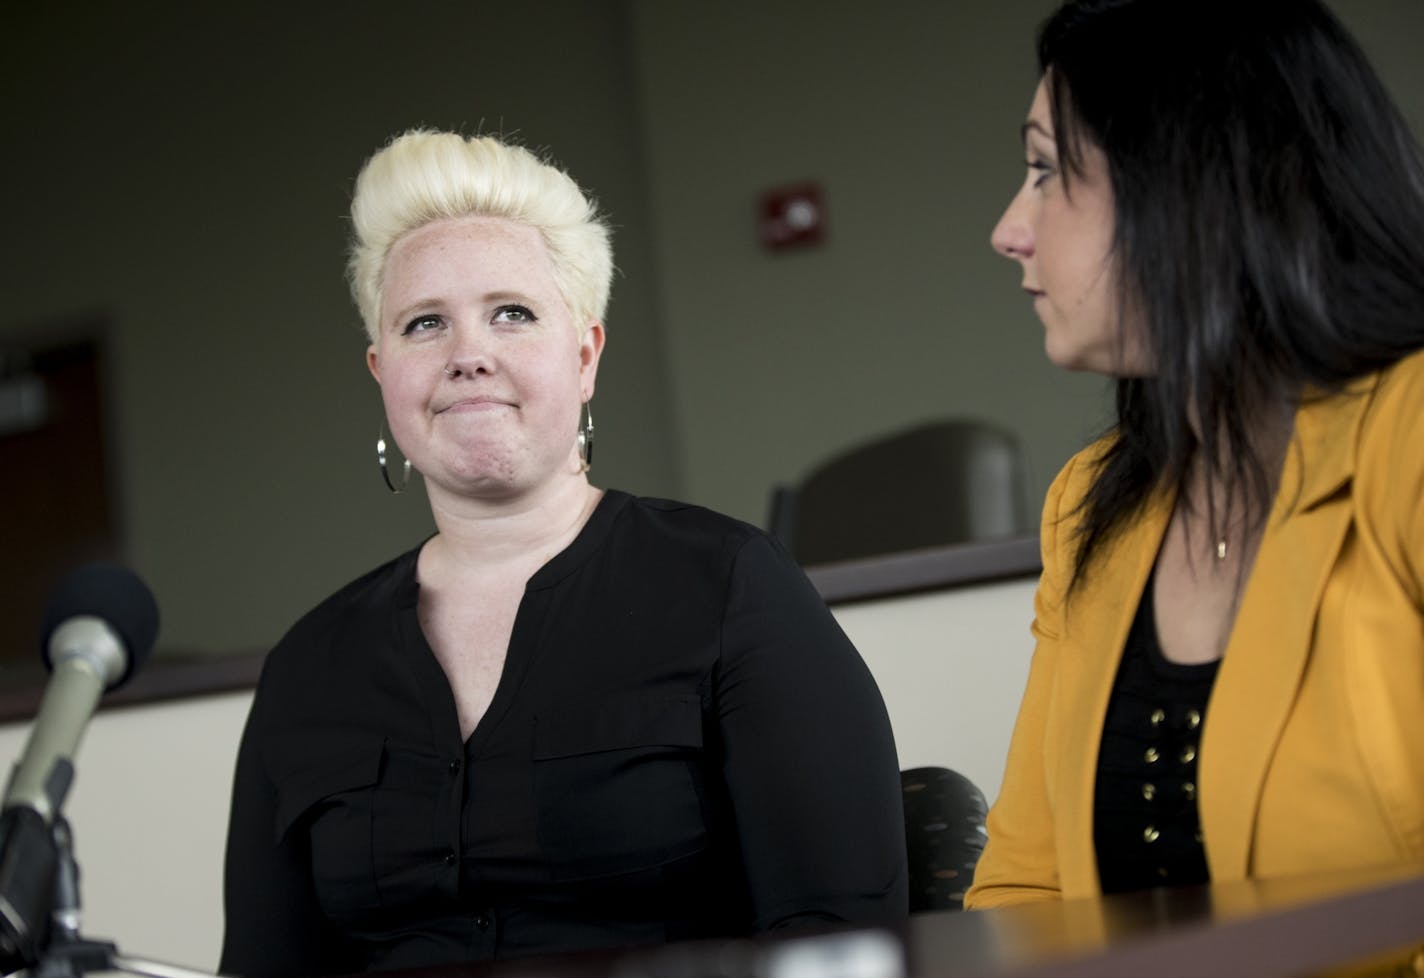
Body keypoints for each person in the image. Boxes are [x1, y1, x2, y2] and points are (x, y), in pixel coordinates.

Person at [219, 130, 907, 978]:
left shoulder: (729, 586)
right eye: (423, 323)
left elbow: (840, 946)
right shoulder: (309, 667)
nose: (467, 354)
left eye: (512, 312)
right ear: (380, 373)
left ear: (585, 356)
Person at [967, 0, 1424, 912]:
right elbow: (1025, 885)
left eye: (1048, 171)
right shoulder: (1091, 502)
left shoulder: (1408, 435)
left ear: (1193, 185)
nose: (1008, 229)